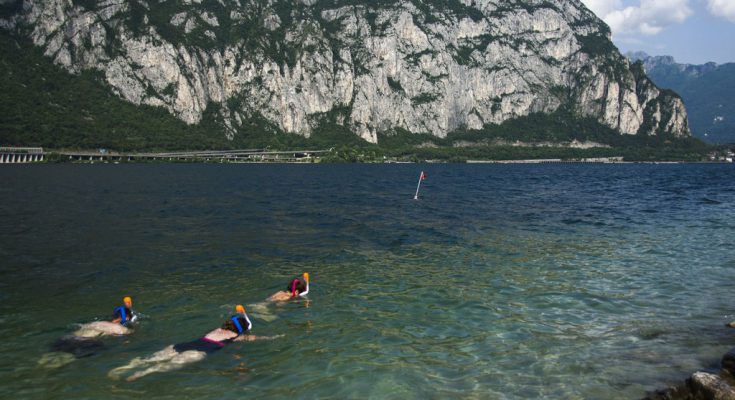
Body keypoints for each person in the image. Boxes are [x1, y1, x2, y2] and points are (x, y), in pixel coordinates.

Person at [109, 305, 280, 381]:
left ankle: (124, 368)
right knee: (159, 367)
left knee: (148, 359)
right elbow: (256, 338)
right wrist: (275, 338)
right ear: (241, 330)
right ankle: (140, 375)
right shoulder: (236, 337)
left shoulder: (216, 330)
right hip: (197, 353)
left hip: (182, 345)